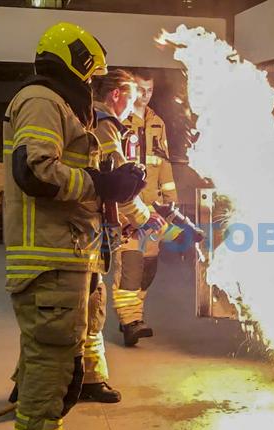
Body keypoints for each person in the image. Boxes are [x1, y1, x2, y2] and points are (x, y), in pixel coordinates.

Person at [3, 22, 146, 430]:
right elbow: (36, 171)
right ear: (71, 63)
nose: (90, 85)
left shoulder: (59, 104)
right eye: (88, 76)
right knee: (50, 358)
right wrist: (103, 183)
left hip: (68, 253)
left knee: (57, 357)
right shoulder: (42, 101)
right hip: (49, 257)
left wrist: (118, 184)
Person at [78, 69, 165, 403]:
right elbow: (119, 180)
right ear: (117, 95)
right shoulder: (105, 125)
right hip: (85, 235)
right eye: (131, 95)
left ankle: (89, 379)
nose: (135, 104)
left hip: (93, 229)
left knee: (88, 308)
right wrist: (143, 218)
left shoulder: (91, 120)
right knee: (87, 309)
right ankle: (82, 381)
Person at [113, 69, 178, 346]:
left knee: (149, 268)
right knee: (131, 266)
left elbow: (164, 163)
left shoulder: (157, 123)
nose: (144, 95)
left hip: (153, 211)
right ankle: (130, 322)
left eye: (149, 90)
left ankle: (134, 316)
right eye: (139, 89)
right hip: (126, 210)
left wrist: (170, 200)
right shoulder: (116, 120)